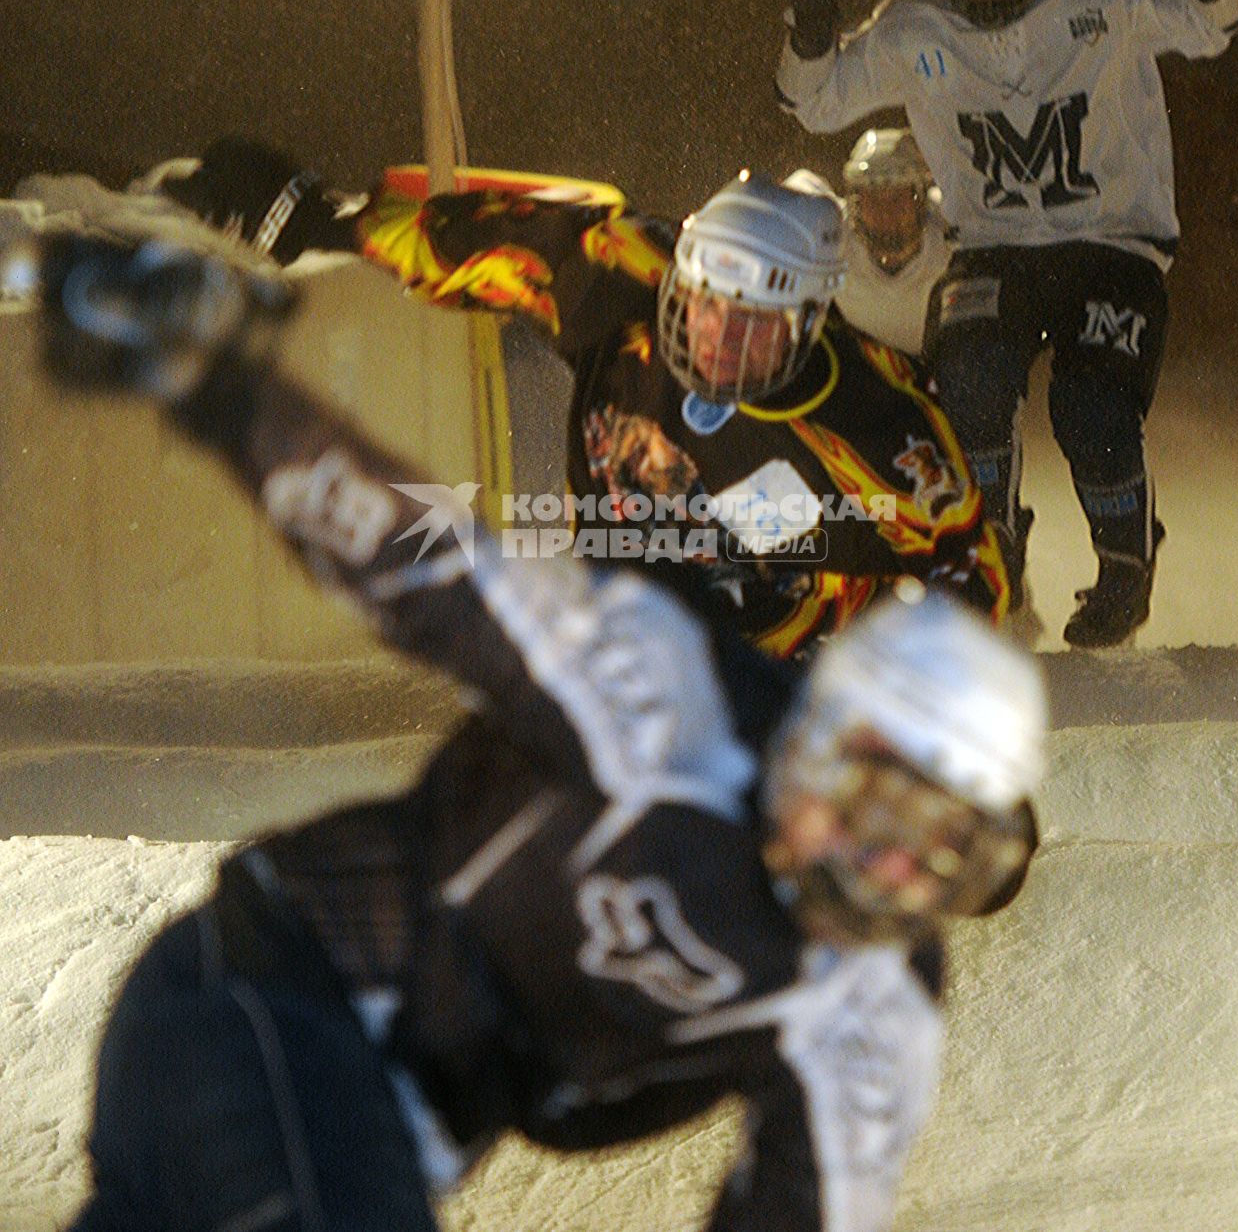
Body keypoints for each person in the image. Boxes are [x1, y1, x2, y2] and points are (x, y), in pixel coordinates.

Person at [4, 226, 1047, 1232]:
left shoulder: (874, 1009)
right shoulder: (663, 691)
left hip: (393, 1125)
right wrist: (221, 386)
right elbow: (421, 568)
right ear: (817, 745)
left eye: (938, 868)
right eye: (880, 814)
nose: (885, 880)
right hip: (272, 993)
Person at [154, 139, 1009, 658]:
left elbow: (970, 566)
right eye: (706, 311)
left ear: (812, 319)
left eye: (753, 331)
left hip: (792, 629)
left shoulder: (874, 420)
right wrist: (317, 220)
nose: (717, 345)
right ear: (679, 279)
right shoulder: (620, 268)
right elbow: (471, 243)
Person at [773, 0, 1238, 645]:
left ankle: (1125, 563)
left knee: (1092, 407)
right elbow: (816, 102)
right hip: (994, 245)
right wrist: (812, 34)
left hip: (1113, 243)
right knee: (965, 385)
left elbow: (1210, 27)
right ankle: (990, 557)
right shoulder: (914, 26)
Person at [826, 128, 951, 358]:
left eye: (897, 198)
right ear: (856, 204)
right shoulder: (831, 238)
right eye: (872, 198)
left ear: (920, 200)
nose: (885, 213)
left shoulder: (952, 234)